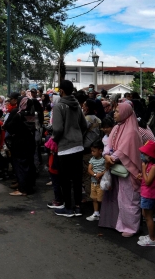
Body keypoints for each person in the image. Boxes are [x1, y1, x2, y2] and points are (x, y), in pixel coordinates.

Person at [99, 102, 143, 237]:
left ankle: (131, 227)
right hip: (118, 167)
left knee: (129, 199)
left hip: (129, 170)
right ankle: (122, 224)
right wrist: (106, 155)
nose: (115, 114)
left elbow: (124, 151)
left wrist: (110, 157)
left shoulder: (132, 131)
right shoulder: (118, 127)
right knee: (121, 198)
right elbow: (108, 143)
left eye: (117, 111)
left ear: (124, 113)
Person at [52, 80, 88, 217]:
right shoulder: (77, 105)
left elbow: (57, 128)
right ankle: (78, 207)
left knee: (65, 179)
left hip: (65, 147)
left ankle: (68, 208)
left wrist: (55, 139)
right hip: (78, 146)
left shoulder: (59, 106)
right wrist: (78, 136)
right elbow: (84, 125)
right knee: (77, 179)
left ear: (61, 91)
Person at [3, 97, 37, 196]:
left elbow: (9, 127)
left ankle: (22, 189)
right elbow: (35, 127)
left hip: (20, 143)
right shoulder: (32, 115)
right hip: (30, 141)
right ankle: (29, 187)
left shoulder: (19, 115)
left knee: (21, 166)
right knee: (29, 165)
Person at [137, 140, 155, 247]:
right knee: (145, 215)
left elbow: (148, 181)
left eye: (144, 154)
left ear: (150, 155)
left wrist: (143, 170)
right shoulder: (149, 165)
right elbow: (146, 179)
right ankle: (150, 235)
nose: (142, 155)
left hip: (149, 195)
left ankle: (152, 239)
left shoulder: (154, 167)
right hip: (145, 193)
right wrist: (141, 176)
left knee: (148, 217)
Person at [86, 140, 107, 221]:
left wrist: (100, 174)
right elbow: (89, 169)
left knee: (100, 199)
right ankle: (96, 213)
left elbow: (106, 169)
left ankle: (103, 213)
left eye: (94, 151)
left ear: (100, 151)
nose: (92, 153)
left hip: (101, 183)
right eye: (91, 151)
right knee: (94, 198)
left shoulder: (104, 159)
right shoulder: (92, 159)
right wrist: (95, 175)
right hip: (93, 182)